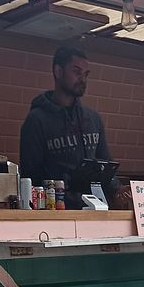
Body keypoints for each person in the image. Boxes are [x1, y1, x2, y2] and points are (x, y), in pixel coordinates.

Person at [19, 44, 118, 209]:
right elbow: (31, 176)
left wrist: (116, 190)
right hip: (55, 211)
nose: (83, 79)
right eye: (76, 72)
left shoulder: (93, 119)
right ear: (58, 71)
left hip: (94, 209)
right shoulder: (36, 120)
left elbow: (106, 165)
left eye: (86, 74)